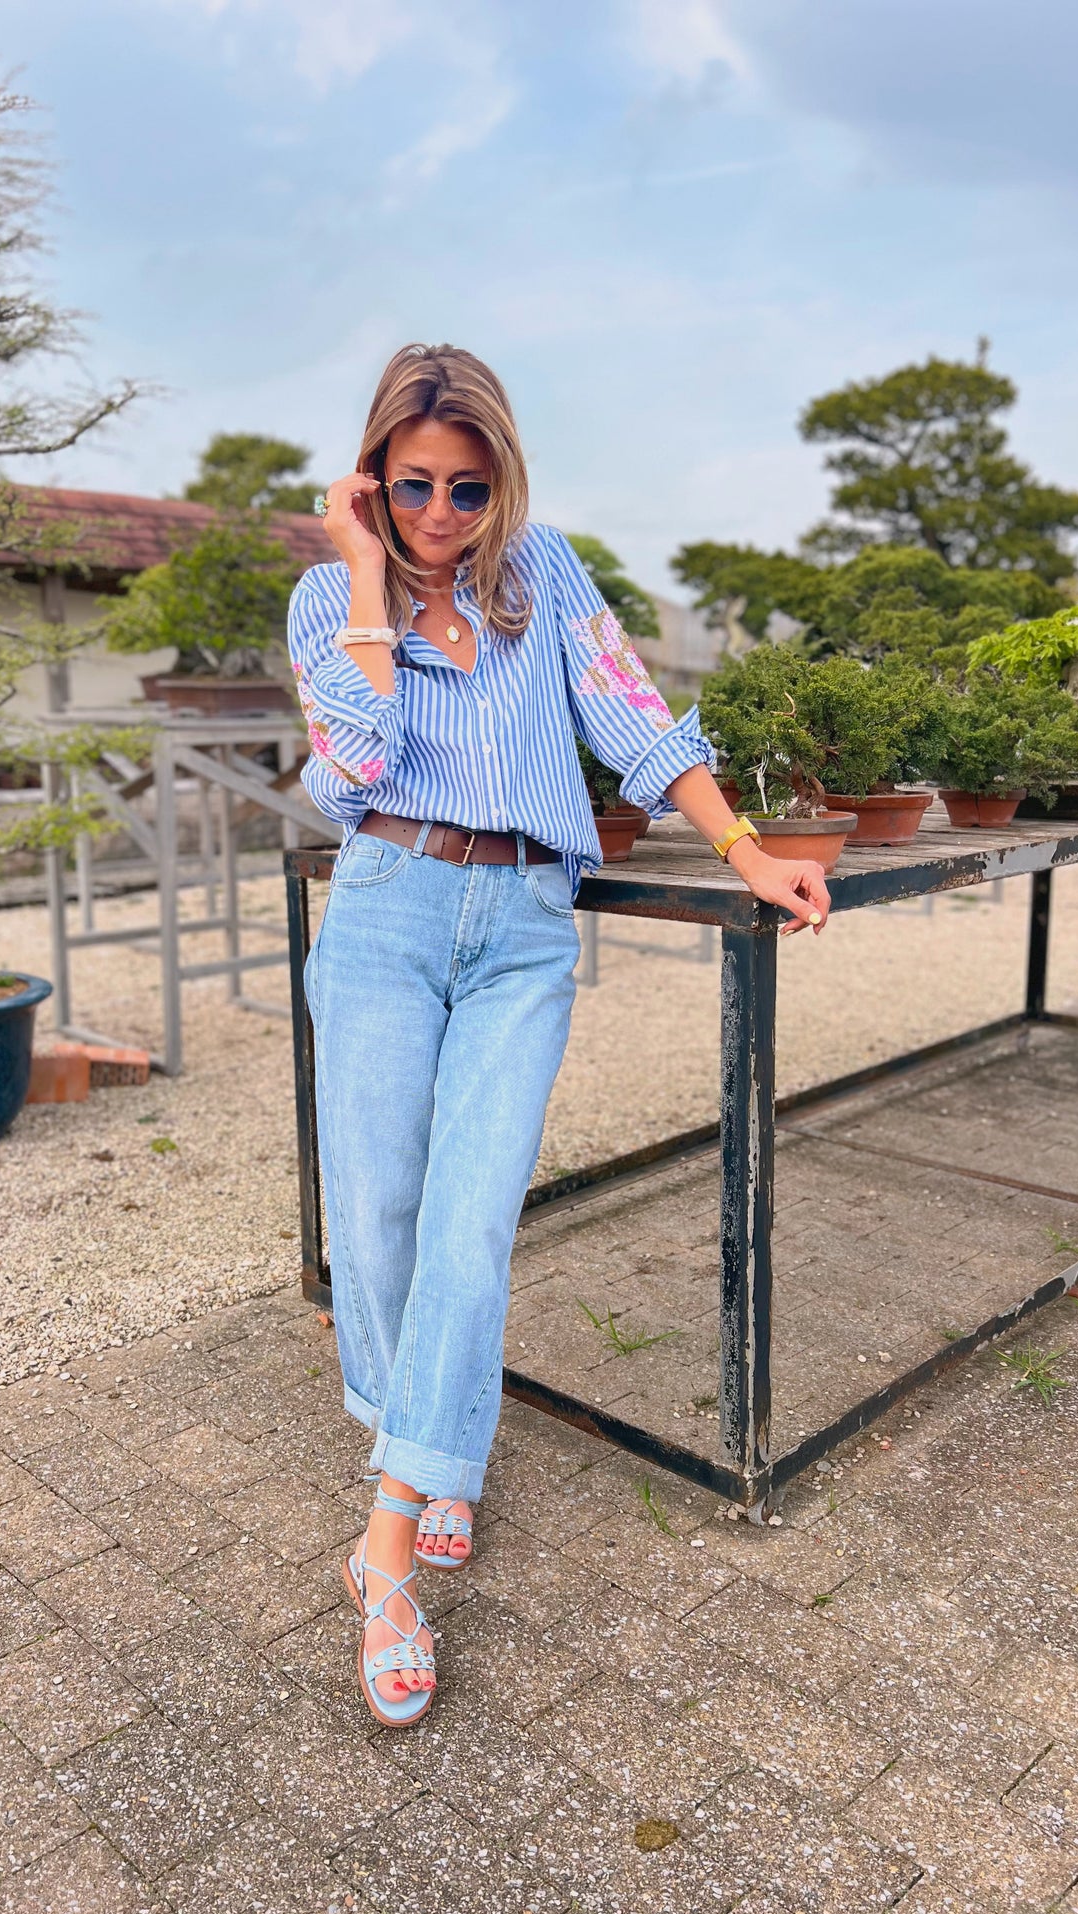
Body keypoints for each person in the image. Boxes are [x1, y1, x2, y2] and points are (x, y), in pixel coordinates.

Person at [289, 343, 830, 1726]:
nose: (439, 514)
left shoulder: (548, 578)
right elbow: (349, 767)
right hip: (385, 909)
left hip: (525, 919)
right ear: (372, 477)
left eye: (468, 487)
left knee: (471, 1224)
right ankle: (431, 1454)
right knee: (383, 1217)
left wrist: (745, 847)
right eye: (410, 487)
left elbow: (634, 722)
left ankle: (387, 1547)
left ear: (502, 478)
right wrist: (359, 578)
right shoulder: (321, 601)